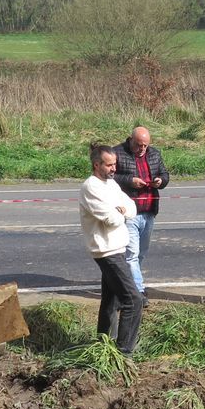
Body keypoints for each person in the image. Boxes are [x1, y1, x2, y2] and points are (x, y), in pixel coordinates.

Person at [79, 144, 143, 354]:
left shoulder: (112, 184)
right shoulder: (91, 187)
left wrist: (122, 211)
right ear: (96, 165)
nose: (113, 168)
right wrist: (120, 212)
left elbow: (132, 207)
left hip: (118, 247)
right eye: (109, 165)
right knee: (134, 300)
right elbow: (110, 219)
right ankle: (124, 353)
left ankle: (103, 345)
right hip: (107, 251)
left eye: (114, 164)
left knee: (111, 300)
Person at [113, 127, 170, 306]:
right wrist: (130, 181)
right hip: (129, 213)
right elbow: (110, 177)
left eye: (145, 145)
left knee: (141, 254)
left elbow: (165, 174)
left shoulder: (154, 154)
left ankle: (127, 285)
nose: (142, 149)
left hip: (149, 211)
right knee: (131, 254)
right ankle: (138, 291)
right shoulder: (117, 153)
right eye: (138, 145)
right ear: (131, 140)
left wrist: (160, 181)